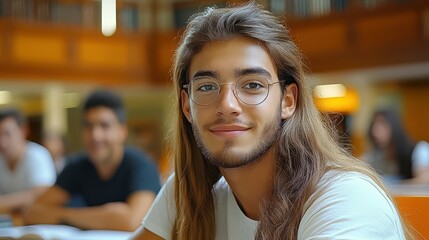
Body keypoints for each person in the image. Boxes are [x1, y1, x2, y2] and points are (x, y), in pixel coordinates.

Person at [130, 3, 412, 240]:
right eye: (206, 87)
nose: (227, 105)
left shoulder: (346, 199)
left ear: (288, 101)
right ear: (186, 106)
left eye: (252, 85)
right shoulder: (190, 194)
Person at [24, 89, 161, 231]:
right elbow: (33, 212)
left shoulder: (142, 165)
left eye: (104, 126)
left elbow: (132, 221)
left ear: (122, 131)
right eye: (89, 126)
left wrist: (59, 215)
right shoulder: (76, 166)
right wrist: (109, 214)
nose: (95, 135)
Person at [0, 108, 56, 214]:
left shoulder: (37, 155)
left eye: (7, 134)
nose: (2, 142)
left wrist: (3, 203)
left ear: (23, 131)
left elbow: (41, 194)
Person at [365, 108, 429, 184]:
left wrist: (394, 185)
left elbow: (425, 180)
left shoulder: (420, 150)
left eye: (382, 124)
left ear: (394, 127)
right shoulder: (376, 156)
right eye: (374, 125)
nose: (374, 132)